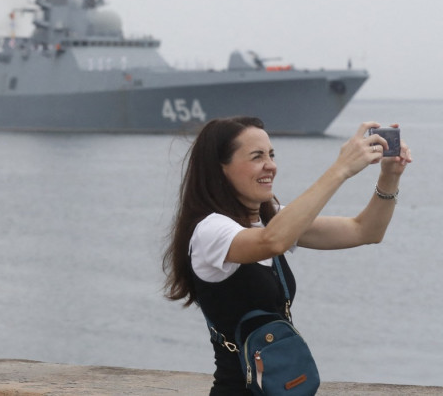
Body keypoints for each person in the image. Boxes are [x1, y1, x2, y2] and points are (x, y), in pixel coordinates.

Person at [162, 117, 412, 395]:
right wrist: (340, 168)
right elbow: (273, 242)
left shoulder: (271, 220)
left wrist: (390, 177)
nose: (271, 165)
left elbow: (364, 230)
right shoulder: (210, 232)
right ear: (220, 169)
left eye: (271, 155)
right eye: (257, 156)